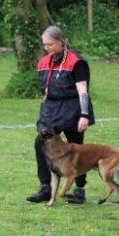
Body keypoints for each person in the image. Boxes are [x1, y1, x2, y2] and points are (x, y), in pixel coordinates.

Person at [27, 26, 95, 204]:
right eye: (44, 45)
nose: (46, 48)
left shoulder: (76, 62)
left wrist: (84, 115)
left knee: (76, 148)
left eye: (50, 44)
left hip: (73, 108)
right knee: (40, 143)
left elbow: (83, 92)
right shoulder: (43, 63)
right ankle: (45, 187)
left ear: (61, 41)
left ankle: (80, 190)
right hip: (51, 109)